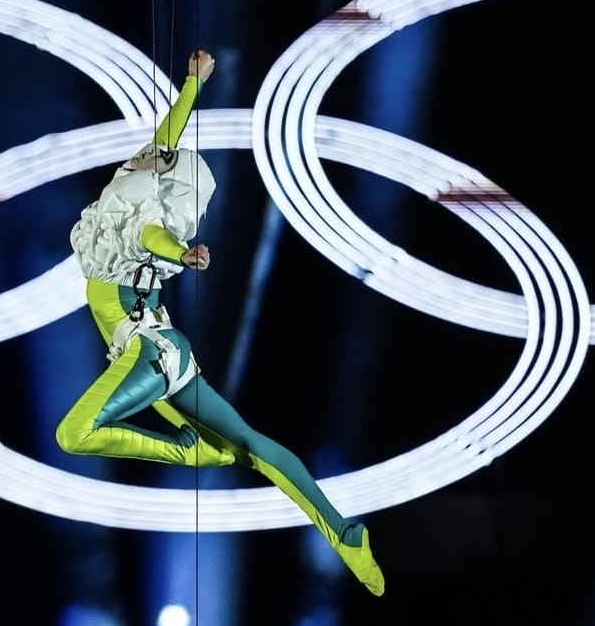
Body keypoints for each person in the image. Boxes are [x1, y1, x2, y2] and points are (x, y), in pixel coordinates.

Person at [56, 49, 383, 595]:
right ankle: (346, 533)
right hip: (163, 351)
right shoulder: (134, 177)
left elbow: (152, 238)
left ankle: (190, 451)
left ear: (167, 189)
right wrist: (192, 83)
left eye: (165, 164)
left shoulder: (143, 217)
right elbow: (169, 133)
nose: (159, 156)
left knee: (74, 433)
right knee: (251, 445)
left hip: (152, 353)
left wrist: (182, 256)